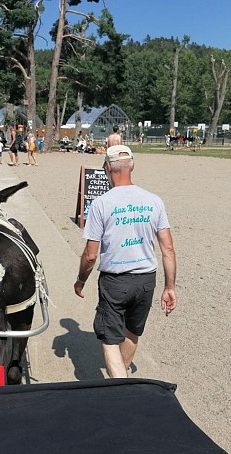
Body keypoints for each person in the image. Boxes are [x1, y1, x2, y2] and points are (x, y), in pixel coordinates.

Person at [74, 145, 176, 378]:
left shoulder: (101, 204)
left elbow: (90, 255)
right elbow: (168, 248)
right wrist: (170, 287)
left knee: (109, 338)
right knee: (132, 331)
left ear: (108, 168)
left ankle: (121, 390)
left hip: (115, 281)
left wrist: (80, 281)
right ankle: (123, 376)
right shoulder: (154, 201)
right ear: (133, 166)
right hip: (146, 279)